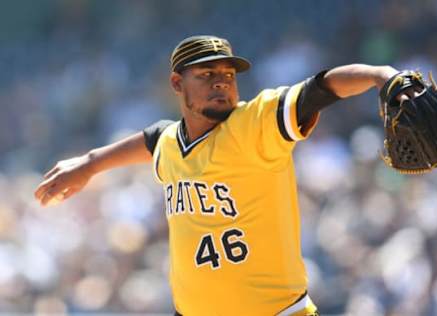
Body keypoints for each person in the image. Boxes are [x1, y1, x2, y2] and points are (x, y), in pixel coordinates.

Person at [35, 35, 415, 315]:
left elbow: (322, 88)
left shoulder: (254, 124)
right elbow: (152, 139)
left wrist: (380, 75)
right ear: (177, 84)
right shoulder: (170, 143)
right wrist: (89, 164)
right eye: (207, 73)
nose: (222, 81)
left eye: (228, 74)